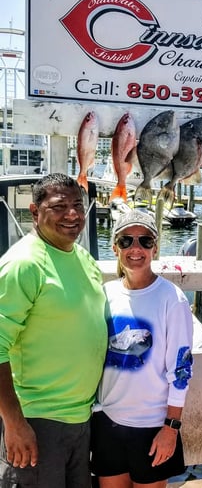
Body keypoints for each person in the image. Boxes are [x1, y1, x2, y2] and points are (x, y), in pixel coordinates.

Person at [0, 173, 108, 487]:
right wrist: (15, 423)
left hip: (81, 419)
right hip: (37, 421)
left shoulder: (84, 259)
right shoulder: (24, 264)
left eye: (78, 205)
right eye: (60, 207)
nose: (73, 214)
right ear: (35, 212)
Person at [90, 209, 194, 488]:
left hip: (152, 425)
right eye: (126, 241)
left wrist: (171, 428)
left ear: (155, 248)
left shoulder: (173, 299)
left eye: (145, 241)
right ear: (115, 247)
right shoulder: (105, 294)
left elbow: (181, 369)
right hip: (107, 420)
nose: (135, 248)